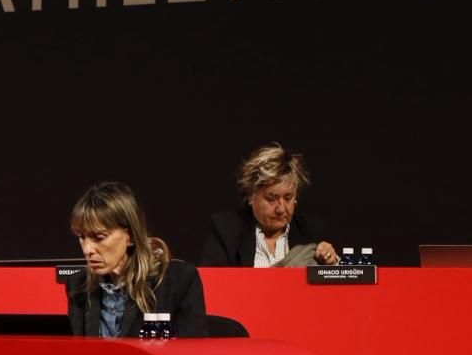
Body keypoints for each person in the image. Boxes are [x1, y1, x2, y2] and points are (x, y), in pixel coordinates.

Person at [65, 182, 207, 338]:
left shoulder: (178, 281)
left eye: (99, 237)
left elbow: (192, 350)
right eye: (82, 237)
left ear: (131, 236)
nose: (87, 250)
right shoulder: (78, 285)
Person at [198, 144, 337, 267]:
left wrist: (331, 262)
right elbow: (213, 282)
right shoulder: (226, 230)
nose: (281, 209)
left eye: (288, 198)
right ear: (251, 195)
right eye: (271, 199)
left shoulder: (311, 232)